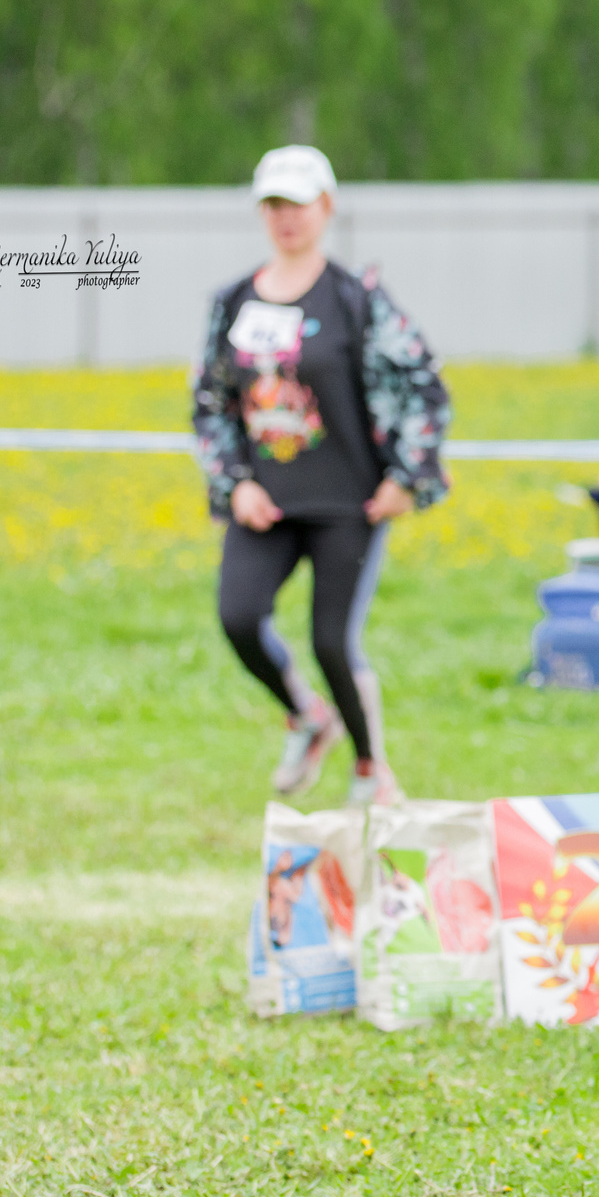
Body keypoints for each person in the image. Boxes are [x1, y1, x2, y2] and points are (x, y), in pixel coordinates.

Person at [192, 145, 450, 809]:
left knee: (333, 641)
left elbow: (425, 386)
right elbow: (212, 401)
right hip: (266, 503)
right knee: (239, 616)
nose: (286, 218)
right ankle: (308, 718)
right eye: (273, 205)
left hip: (349, 504)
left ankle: (371, 771)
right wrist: (234, 484)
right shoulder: (232, 303)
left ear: (326, 209)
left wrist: (407, 475)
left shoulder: (356, 299)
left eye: (298, 204)